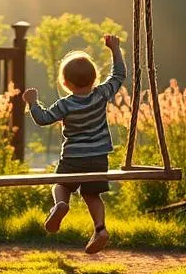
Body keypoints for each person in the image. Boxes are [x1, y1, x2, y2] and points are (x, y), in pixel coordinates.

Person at [22, 35, 126, 254]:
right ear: (95, 78)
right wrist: (115, 49)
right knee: (91, 195)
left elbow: (43, 118)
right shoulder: (101, 95)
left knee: (61, 184)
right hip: (98, 157)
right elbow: (119, 75)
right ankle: (100, 229)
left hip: (72, 157)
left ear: (65, 83)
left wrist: (33, 103)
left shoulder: (65, 104)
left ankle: (61, 204)